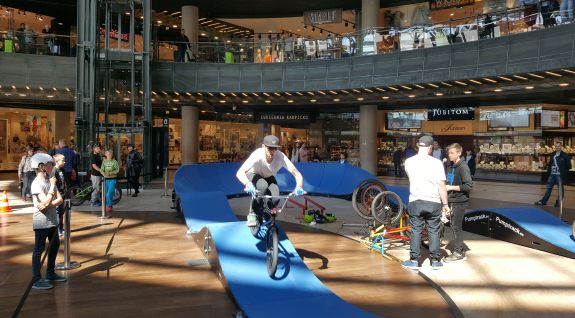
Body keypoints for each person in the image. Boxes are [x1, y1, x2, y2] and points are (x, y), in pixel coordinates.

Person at [402, 136, 450, 270]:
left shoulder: (409, 162)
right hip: (433, 201)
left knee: (416, 230)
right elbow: (441, 185)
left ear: (418, 145)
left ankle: (414, 261)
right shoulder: (437, 163)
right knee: (433, 230)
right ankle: (435, 261)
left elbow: (411, 178)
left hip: (416, 200)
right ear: (431, 147)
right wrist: (445, 205)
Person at [236, 135, 305, 227]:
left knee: (276, 199)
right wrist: (247, 184)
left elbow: (296, 173)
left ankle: (265, 211)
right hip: (254, 174)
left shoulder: (280, 156)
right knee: (262, 186)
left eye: (275, 149)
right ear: (263, 147)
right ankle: (252, 213)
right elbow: (239, 172)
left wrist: (299, 186)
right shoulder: (257, 155)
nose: (272, 152)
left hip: (269, 176)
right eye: (270, 148)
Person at [29, 153, 66, 290]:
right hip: (41, 222)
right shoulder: (37, 183)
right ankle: (36, 279)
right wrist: (51, 191)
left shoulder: (50, 180)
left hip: (52, 220)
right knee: (39, 249)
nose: (52, 166)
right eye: (50, 164)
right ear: (41, 167)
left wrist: (48, 204)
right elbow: (44, 201)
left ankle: (50, 273)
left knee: (54, 245)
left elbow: (59, 199)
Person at [443, 143, 473, 263]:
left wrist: (451, 187)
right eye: (449, 153)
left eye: (452, 153)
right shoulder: (451, 165)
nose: (449, 155)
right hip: (451, 200)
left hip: (459, 202)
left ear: (459, 153)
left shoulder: (463, 167)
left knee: (456, 227)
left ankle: (458, 252)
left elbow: (468, 186)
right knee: (453, 226)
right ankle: (457, 250)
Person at [535, 142, 572, 207]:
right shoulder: (552, 154)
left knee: (560, 190)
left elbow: (569, 166)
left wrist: (563, 172)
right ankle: (543, 201)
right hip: (552, 174)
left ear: (561, 147)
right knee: (548, 188)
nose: (557, 148)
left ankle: (558, 203)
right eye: (556, 146)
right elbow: (550, 164)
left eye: (559, 146)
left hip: (559, 175)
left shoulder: (565, 155)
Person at [52, 154, 68, 237]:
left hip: (62, 193)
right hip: (57, 195)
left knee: (61, 212)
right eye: (62, 160)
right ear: (57, 161)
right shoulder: (54, 171)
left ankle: (61, 228)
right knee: (57, 212)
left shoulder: (62, 170)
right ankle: (57, 229)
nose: (64, 162)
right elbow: (53, 185)